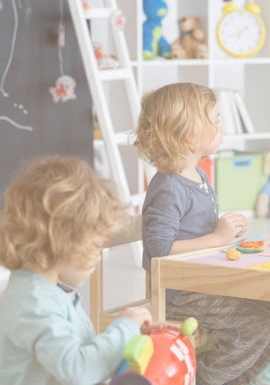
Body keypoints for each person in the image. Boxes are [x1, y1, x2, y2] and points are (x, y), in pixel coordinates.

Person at [134, 82, 270, 385]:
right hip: (180, 293)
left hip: (205, 281)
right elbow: (160, 250)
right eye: (216, 120)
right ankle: (202, 379)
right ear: (191, 135)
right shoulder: (168, 187)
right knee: (256, 326)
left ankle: (238, 379)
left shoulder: (199, 175)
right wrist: (217, 238)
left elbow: (195, 229)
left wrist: (224, 230)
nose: (221, 128)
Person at [0, 156, 156, 385]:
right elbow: (77, 371)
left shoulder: (50, 292)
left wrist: (130, 334)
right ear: (63, 237)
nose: (97, 258)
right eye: (94, 247)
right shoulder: (33, 304)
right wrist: (124, 328)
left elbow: (80, 352)